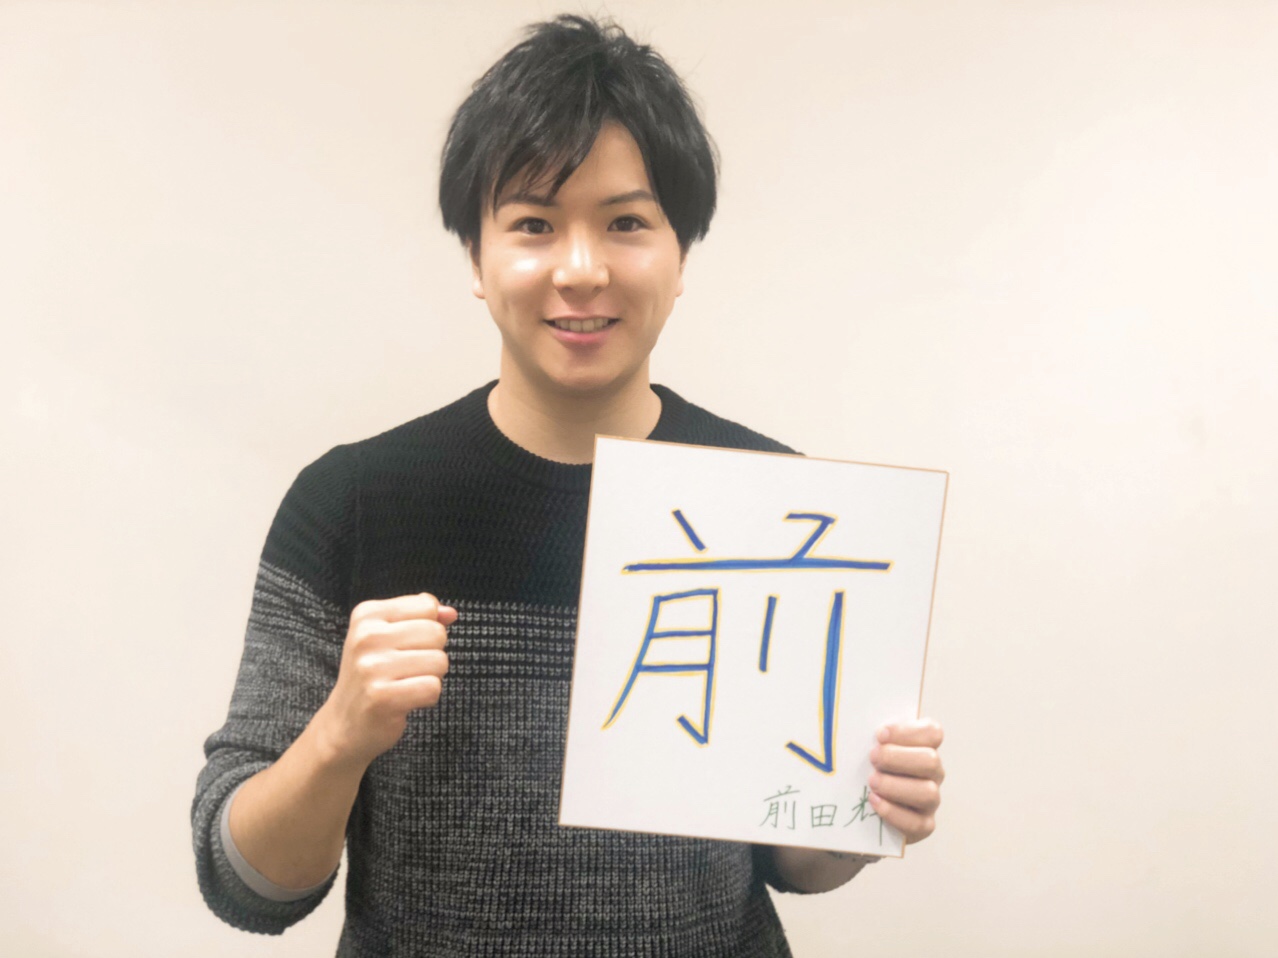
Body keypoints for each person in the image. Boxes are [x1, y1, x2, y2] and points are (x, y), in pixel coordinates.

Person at [192, 14, 945, 957]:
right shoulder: (352, 502)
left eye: (626, 223)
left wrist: (863, 810)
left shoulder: (776, 505)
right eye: (534, 225)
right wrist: (339, 736)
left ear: (681, 257)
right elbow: (244, 884)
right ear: (476, 257)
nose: (581, 270)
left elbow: (792, 860)